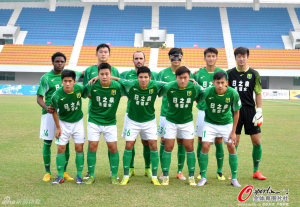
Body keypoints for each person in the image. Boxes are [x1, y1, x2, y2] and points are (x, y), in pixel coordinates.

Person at [113, 66, 165, 186]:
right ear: (137, 78)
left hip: (149, 121)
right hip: (132, 120)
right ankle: (126, 175)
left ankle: (154, 176)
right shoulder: (131, 84)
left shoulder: (155, 85)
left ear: (150, 78)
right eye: (141, 77)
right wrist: (97, 77)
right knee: (129, 144)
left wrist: (189, 81)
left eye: (146, 77)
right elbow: (117, 79)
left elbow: (170, 83)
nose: (143, 80)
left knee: (153, 145)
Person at [36, 52, 81, 182]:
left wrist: (97, 65)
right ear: (53, 62)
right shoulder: (46, 78)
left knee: (64, 143)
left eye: (62, 61)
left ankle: (64, 171)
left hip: (65, 114)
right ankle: (47, 172)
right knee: (48, 142)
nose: (60, 64)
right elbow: (39, 98)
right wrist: (46, 107)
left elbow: (82, 73)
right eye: (57, 61)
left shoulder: (68, 75)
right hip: (49, 115)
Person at [227, 47, 266, 180]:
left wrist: (259, 110)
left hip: (250, 111)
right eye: (239, 56)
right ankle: (233, 171)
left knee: (256, 141)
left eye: (244, 56)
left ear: (247, 57)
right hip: (234, 111)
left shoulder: (254, 74)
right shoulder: (229, 73)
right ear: (235, 58)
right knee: (234, 143)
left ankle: (256, 170)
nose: (241, 58)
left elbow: (258, 92)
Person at [197, 71, 242, 187]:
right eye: (218, 83)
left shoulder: (233, 93)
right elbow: (198, 100)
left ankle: (234, 178)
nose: (220, 85)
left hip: (226, 123)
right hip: (210, 123)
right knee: (205, 145)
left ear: (226, 82)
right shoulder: (207, 92)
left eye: (222, 83)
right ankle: (203, 177)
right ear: (213, 83)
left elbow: (236, 112)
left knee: (231, 146)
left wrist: (234, 132)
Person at [82, 43, 119, 180]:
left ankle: (112, 172)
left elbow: (118, 86)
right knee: (92, 144)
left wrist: (104, 79)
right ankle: (89, 173)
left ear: (109, 54)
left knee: (112, 145)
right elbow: (87, 92)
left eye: (106, 52)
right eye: (101, 52)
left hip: (109, 113)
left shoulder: (114, 70)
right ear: (96, 53)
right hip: (94, 111)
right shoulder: (89, 70)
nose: (103, 54)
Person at [159, 66, 201, 186]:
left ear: (189, 78)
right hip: (170, 121)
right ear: (176, 78)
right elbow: (158, 88)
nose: (183, 80)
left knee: (189, 146)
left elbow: (203, 95)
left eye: (185, 78)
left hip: (187, 122)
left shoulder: (194, 87)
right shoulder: (169, 87)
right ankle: (166, 175)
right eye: (180, 78)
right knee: (168, 146)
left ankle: (191, 176)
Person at [119, 51, 158, 178]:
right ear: (133, 60)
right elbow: (116, 80)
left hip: (147, 116)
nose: (138, 60)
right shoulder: (126, 74)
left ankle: (147, 167)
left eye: (141, 58)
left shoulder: (152, 74)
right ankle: (130, 168)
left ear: (144, 60)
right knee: (131, 141)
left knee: (147, 142)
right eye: (136, 58)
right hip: (130, 114)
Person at [156, 48, 192, 181]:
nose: (176, 59)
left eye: (178, 56)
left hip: (182, 115)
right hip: (166, 114)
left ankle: (179, 170)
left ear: (182, 57)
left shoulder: (187, 74)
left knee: (181, 141)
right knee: (164, 141)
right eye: (173, 56)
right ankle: (163, 170)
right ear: (169, 57)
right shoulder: (162, 73)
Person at [193, 47, 227, 181]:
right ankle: (202, 171)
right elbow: (196, 95)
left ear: (216, 57)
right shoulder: (198, 74)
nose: (211, 58)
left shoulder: (222, 73)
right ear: (205, 57)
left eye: (213, 56)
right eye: (208, 56)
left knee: (218, 140)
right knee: (201, 140)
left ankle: (219, 171)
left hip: (217, 111)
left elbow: (225, 90)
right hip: (203, 111)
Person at [51, 70, 86, 184]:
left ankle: (79, 175)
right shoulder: (56, 95)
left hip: (78, 122)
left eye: (70, 81)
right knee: (61, 148)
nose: (67, 83)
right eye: (65, 81)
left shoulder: (79, 89)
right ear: (61, 81)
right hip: (63, 123)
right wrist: (58, 127)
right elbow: (54, 111)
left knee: (79, 148)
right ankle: (60, 176)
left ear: (74, 81)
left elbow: (88, 92)